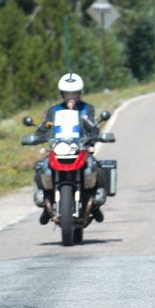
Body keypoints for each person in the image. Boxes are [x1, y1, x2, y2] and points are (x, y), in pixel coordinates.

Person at [31, 73, 107, 225]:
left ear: (80, 93)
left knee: (96, 167)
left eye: (75, 93)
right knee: (42, 168)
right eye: (68, 93)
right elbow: (43, 128)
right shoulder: (54, 111)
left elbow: (94, 130)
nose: (71, 96)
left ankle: (95, 204)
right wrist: (36, 138)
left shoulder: (88, 109)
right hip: (58, 148)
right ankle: (46, 203)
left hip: (81, 148)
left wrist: (83, 121)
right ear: (62, 94)